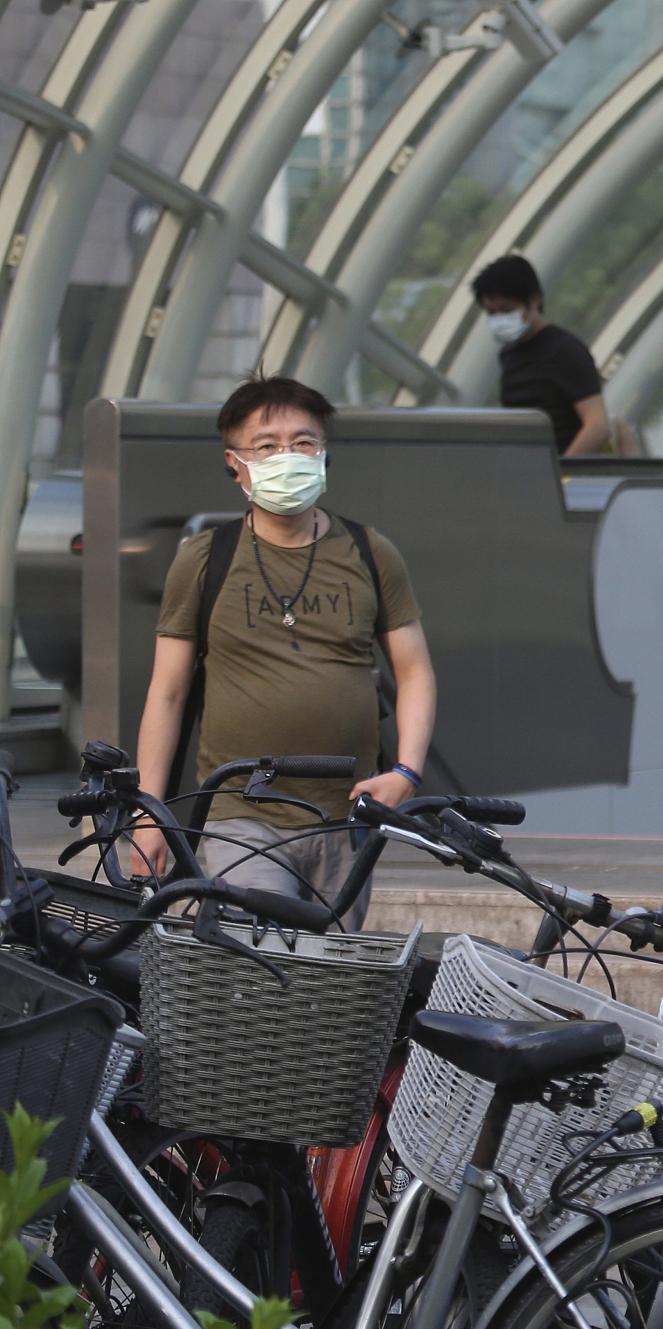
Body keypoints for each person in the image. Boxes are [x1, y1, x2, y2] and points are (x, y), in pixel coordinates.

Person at [130, 374, 439, 920]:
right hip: (240, 813)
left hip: (348, 817)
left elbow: (413, 671)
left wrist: (407, 772)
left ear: (325, 453)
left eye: (303, 443)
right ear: (235, 463)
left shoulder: (370, 551)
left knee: (331, 975)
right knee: (257, 964)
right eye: (267, 446)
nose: (287, 457)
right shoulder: (204, 558)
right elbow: (169, 692)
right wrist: (150, 812)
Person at [473, 254, 609, 455]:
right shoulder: (509, 355)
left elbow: (597, 425)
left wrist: (562, 470)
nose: (499, 319)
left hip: (567, 474)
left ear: (534, 300)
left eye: (506, 309)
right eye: (491, 313)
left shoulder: (565, 351)